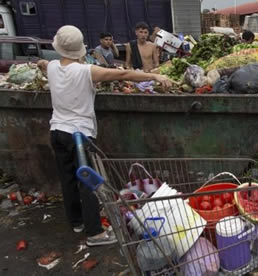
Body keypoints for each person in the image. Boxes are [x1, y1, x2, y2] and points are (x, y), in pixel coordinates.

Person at [37, 25, 171, 247]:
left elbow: (42, 64)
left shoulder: (51, 66)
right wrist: (154, 77)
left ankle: (77, 221)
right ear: (80, 50)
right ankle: (94, 234)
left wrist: (40, 64)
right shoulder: (85, 71)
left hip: (57, 132)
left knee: (68, 178)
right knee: (88, 183)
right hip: (79, 136)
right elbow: (123, 73)